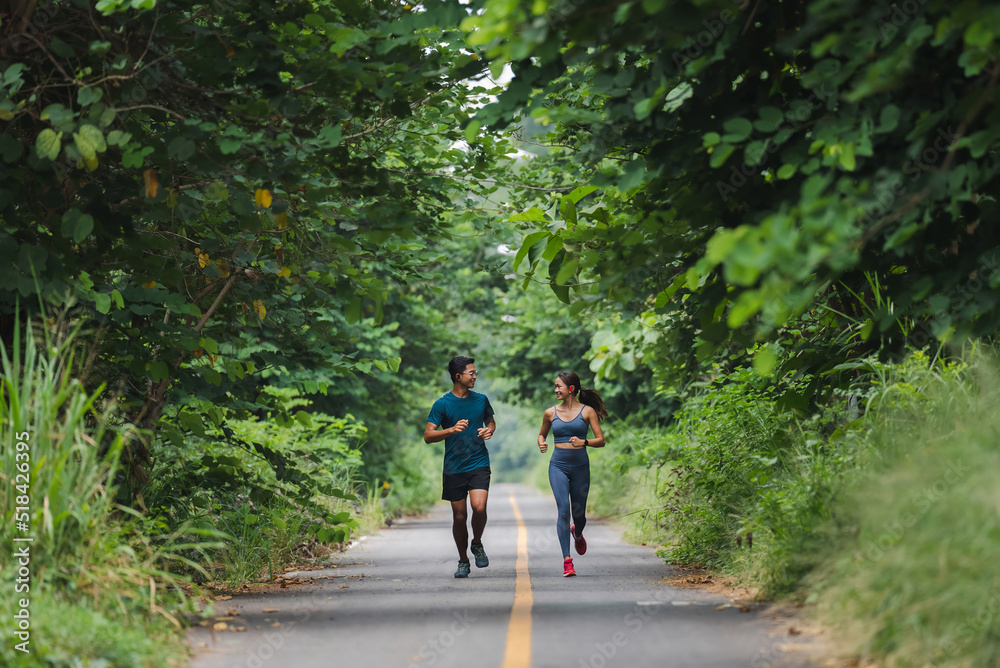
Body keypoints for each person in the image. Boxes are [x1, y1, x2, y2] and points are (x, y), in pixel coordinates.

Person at [424, 355, 497, 578]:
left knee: (480, 507)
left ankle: (476, 543)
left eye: (475, 372)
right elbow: (428, 435)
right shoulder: (442, 404)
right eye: (471, 373)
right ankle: (463, 560)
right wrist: (450, 430)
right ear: (458, 376)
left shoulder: (481, 399)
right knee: (458, 517)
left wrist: (489, 430)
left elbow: (490, 421)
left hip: (479, 462)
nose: (475, 376)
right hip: (454, 467)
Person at [537, 371, 607, 577]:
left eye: (558, 386)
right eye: (555, 386)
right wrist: (542, 442)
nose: (555, 389)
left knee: (579, 516)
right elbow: (542, 434)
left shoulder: (588, 412)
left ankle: (577, 533)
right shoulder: (550, 413)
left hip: (580, 467)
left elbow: (601, 440)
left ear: (571, 389)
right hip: (557, 465)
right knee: (563, 510)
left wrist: (584, 442)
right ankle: (567, 560)